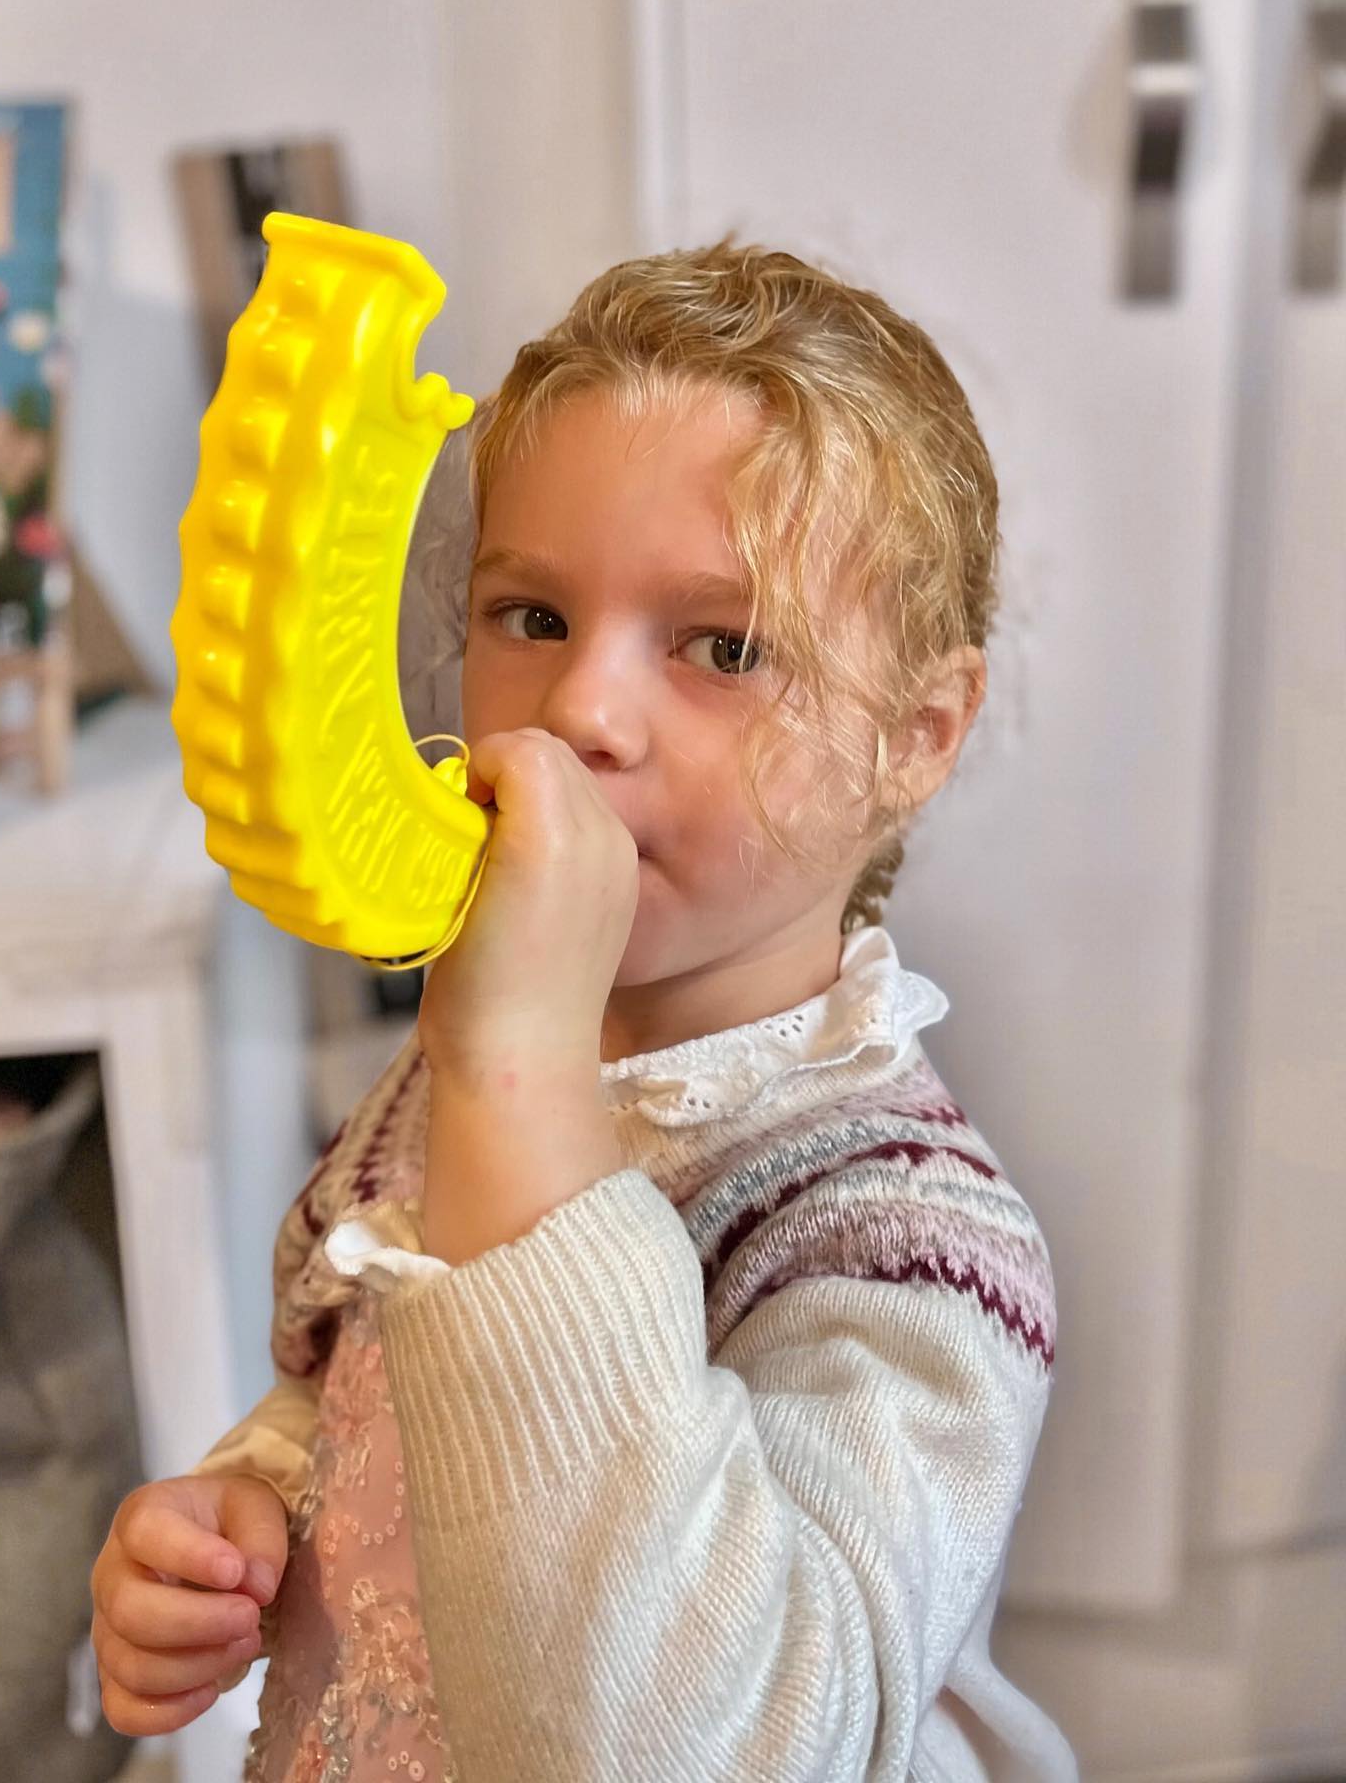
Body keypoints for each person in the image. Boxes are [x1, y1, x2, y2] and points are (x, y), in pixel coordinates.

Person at [90, 241, 1077, 1781]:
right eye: (530, 617)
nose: (580, 713)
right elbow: (349, 1391)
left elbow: (715, 1740)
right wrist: (244, 1512)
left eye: (723, 648)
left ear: (918, 736)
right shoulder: (458, 1071)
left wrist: (521, 1075)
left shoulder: (911, 1252)